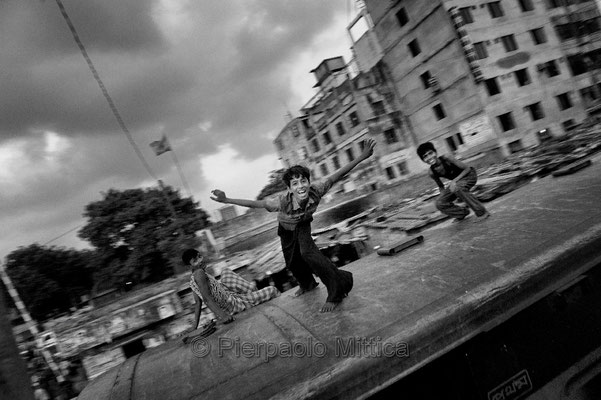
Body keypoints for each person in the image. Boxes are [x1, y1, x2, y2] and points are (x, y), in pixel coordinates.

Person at [211, 138, 376, 313]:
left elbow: (339, 174)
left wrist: (362, 156)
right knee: (292, 261)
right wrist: (226, 200)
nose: (301, 187)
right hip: (285, 229)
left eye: (303, 181)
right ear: (290, 189)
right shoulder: (280, 202)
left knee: (308, 254)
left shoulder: (318, 189)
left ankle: (337, 290)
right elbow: (255, 204)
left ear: (309, 182)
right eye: (295, 184)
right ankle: (307, 284)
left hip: (303, 224)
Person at [182, 249, 279, 328]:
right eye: (195, 261)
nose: (200, 260)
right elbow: (206, 299)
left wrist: (194, 326)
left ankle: (252, 293)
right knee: (272, 290)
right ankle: (252, 295)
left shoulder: (192, 280)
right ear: (188, 267)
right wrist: (223, 316)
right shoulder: (199, 273)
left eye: (199, 256)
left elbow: (198, 302)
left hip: (229, 296)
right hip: (232, 305)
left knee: (225, 272)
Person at [416, 141, 490, 222]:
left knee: (458, 187)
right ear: (423, 160)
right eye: (425, 156)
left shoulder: (447, 158)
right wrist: (444, 197)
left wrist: (454, 181)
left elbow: (467, 168)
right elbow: (441, 186)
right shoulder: (431, 172)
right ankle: (461, 213)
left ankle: (482, 212)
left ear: (435, 153)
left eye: (430, 153)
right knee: (439, 203)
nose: (429, 157)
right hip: (457, 182)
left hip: (469, 175)